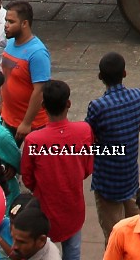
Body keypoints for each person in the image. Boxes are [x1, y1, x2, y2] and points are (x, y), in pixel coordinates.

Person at [20, 80, 94, 260]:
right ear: (68, 103)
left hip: (45, 210)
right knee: (73, 252)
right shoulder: (84, 130)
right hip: (73, 208)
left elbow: (28, 178)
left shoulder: (34, 140)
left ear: (43, 106)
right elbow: (87, 168)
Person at [85, 53, 140, 242]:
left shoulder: (98, 106)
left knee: (114, 238)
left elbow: (88, 134)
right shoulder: (138, 96)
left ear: (100, 77)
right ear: (124, 73)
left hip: (108, 180)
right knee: (137, 232)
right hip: (130, 176)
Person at [0, 2, 51, 135]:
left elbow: (39, 91)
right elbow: (6, 77)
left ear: (24, 24)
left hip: (33, 125)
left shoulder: (37, 53)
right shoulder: (10, 44)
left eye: (11, 21)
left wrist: (27, 123)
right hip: (9, 118)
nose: (6, 25)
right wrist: (2, 105)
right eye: (6, 20)